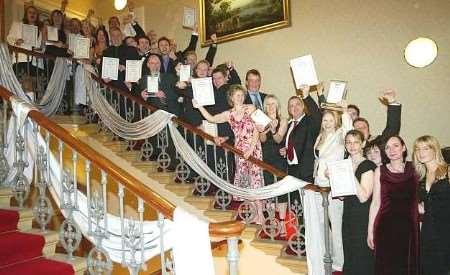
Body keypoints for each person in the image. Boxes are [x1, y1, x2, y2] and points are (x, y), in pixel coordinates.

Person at [193, 85, 264, 224]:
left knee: (255, 181)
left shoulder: (250, 108)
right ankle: (252, 214)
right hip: (239, 150)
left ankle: (260, 215)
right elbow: (211, 119)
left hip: (253, 148)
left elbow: (257, 129)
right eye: (237, 95)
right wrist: (199, 106)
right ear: (231, 97)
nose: (240, 97)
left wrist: (251, 149)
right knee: (245, 182)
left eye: (242, 95)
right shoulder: (228, 114)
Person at [368, 135, 419, 275]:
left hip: (409, 227)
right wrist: (370, 231)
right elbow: (375, 202)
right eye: (387, 147)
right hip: (385, 226)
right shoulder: (380, 171)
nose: (392, 150)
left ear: (403, 148)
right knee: (387, 267)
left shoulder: (415, 168)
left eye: (396, 145)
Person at [313, 101, 352, 273]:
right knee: (321, 222)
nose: (326, 123)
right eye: (324, 120)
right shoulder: (320, 137)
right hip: (318, 183)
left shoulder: (340, 135)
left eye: (330, 120)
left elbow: (349, 129)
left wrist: (344, 111)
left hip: (333, 184)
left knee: (336, 224)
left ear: (335, 121)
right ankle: (324, 254)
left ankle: (339, 261)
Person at [341, 130, 377, 275]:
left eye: (356, 142)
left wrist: (348, 172)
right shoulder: (344, 164)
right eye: (348, 142)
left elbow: (363, 197)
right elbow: (343, 196)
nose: (352, 145)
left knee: (361, 258)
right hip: (348, 215)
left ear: (363, 144)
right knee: (349, 255)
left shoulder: (368, 165)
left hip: (362, 218)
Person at [413, 135, 450, 275]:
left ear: (435, 149)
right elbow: (425, 207)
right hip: (429, 231)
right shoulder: (420, 178)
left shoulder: (447, 171)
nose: (421, 152)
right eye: (417, 149)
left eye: (425, 148)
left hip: (446, 229)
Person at [279, 85, 321, 205]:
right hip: (291, 170)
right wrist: (285, 150)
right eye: (291, 105)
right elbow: (294, 144)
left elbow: (317, 116)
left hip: (306, 171)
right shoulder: (289, 124)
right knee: (295, 205)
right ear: (288, 109)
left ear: (303, 106)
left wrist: (306, 96)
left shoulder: (309, 121)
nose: (294, 107)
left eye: (297, 104)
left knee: (309, 205)